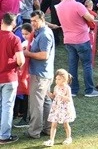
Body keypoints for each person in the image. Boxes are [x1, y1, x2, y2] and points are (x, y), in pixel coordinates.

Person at [55, 0, 98, 98]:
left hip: (68, 39)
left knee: (72, 65)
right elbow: (90, 18)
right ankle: (89, 90)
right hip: (81, 39)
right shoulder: (77, 5)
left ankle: (74, 89)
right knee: (87, 64)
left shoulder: (59, 6)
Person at [24, 10, 55, 140]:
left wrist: (28, 54)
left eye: (35, 20)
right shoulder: (44, 32)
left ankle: (34, 131)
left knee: (36, 103)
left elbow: (44, 55)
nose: (33, 23)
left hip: (39, 74)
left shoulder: (44, 35)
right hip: (45, 73)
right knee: (46, 102)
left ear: (42, 19)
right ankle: (47, 129)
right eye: (31, 21)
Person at [0, 13, 24, 144]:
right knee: (7, 107)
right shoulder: (15, 39)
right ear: (14, 23)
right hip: (9, 77)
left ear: (2, 21)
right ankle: (4, 135)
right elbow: (20, 60)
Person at [43, 69, 76, 147]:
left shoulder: (67, 88)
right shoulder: (56, 87)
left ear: (64, 79)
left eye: (59, 79)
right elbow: (53, 96)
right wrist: (47, 92)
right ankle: (51, 140)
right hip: (56, 108)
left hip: (64, 109)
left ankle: (68, 137)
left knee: (66, 124)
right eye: (56, 79)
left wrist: (62, 96)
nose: (57, 81)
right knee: (53, 124)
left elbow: (69, 99)